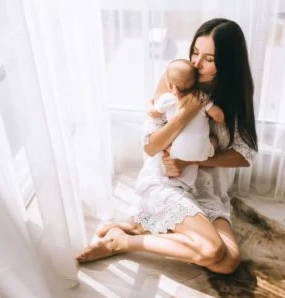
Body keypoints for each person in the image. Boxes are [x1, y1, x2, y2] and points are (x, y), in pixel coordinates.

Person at [77, 18, 258, 275]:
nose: (196, 63)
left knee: (228, 262)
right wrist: (186, 112)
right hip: (166, 182)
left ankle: (140, 229)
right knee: (210, 251)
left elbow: (244, 154)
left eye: (209, 58)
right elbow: (151, 147)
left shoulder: (235, 93)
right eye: (195, 52)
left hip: (206, 189)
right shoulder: (176, 77)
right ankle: (124, 242)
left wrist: (193, 160)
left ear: (228, 62)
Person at [141, 58, 224, 193]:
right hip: (203, 154)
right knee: (214, 139)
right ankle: (210, 146)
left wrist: (149, 102)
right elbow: (218, 116)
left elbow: (153, 113)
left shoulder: (167, 99)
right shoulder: (201, 97)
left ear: (170, 86)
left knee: (165, 146)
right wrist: (219, 118)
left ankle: (171, 170)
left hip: (177, 153)